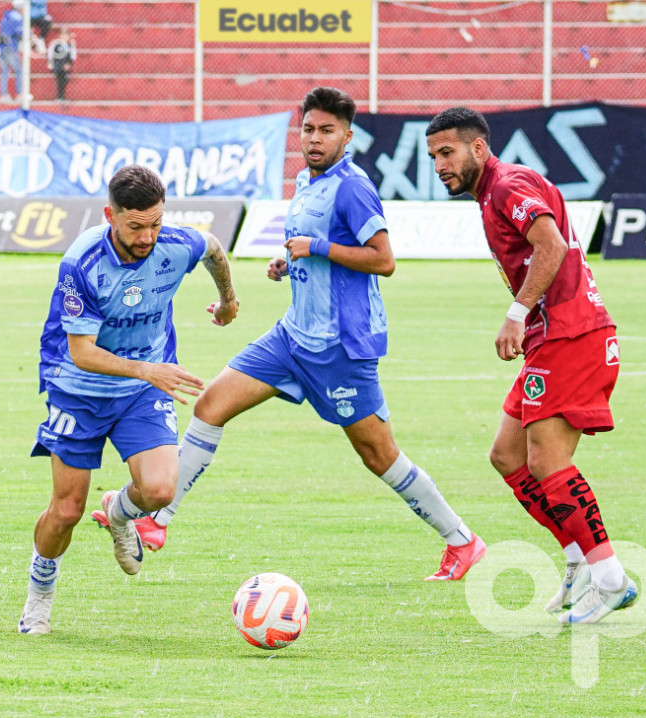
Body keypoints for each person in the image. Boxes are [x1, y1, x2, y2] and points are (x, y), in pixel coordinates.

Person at [93, 86, 486, 581]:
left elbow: (383, 260)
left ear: (347, 135)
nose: (315, 139)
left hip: (340, 345)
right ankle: (157, 520)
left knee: (378, 454)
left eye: (326, 131)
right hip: (292, 337)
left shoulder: (353, 187)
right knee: (211, 405)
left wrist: (317, 247)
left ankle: (462, 541)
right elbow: (316, 252)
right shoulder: (306, 180)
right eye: (308, 129)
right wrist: (291, 262)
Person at [425, 107, 638, 624]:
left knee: (547, 462)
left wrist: (516, 314)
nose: (439, 166)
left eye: (447, 153)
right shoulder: (491, 193)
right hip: (553, 337)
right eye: (433, 156)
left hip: (572, 333)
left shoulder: (508, 185)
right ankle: (577, 561)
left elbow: (554, 246)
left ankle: (612, 580)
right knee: (507, 455)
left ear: (478, 148)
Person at [19, 164, 239, 635]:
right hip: (78, 389)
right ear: (110, 216)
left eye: (156, 223)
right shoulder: (82, 264)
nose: (148, 237)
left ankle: (119, 511)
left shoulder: (176, 243)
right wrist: (147, 368)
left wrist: (228, 300)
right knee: (66, 510)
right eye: (136, 226)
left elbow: (215, 250)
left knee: (160, 490)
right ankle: (39, 594)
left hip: (142, 390)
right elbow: (81, 352)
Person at [0, 0, 23, 102]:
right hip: (11, 47)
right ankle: (20, 93)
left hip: (2, 47)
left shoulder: (6, 17)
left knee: (4, 71)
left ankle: (3, 94)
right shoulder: (18, 18)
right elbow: (21, 32)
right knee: (19, 70)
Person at [47, 28, 76, 101]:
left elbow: (72, 56)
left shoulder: (70, 46)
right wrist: (51, 63)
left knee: (64, 80)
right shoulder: (56, 45)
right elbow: (51, 54)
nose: (64, 37)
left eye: (66, 35)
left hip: (66, 66)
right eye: (62, 35)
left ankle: (62, 96)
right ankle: (59, 96)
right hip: (58, 65)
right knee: (59, 80)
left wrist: (69, 64)